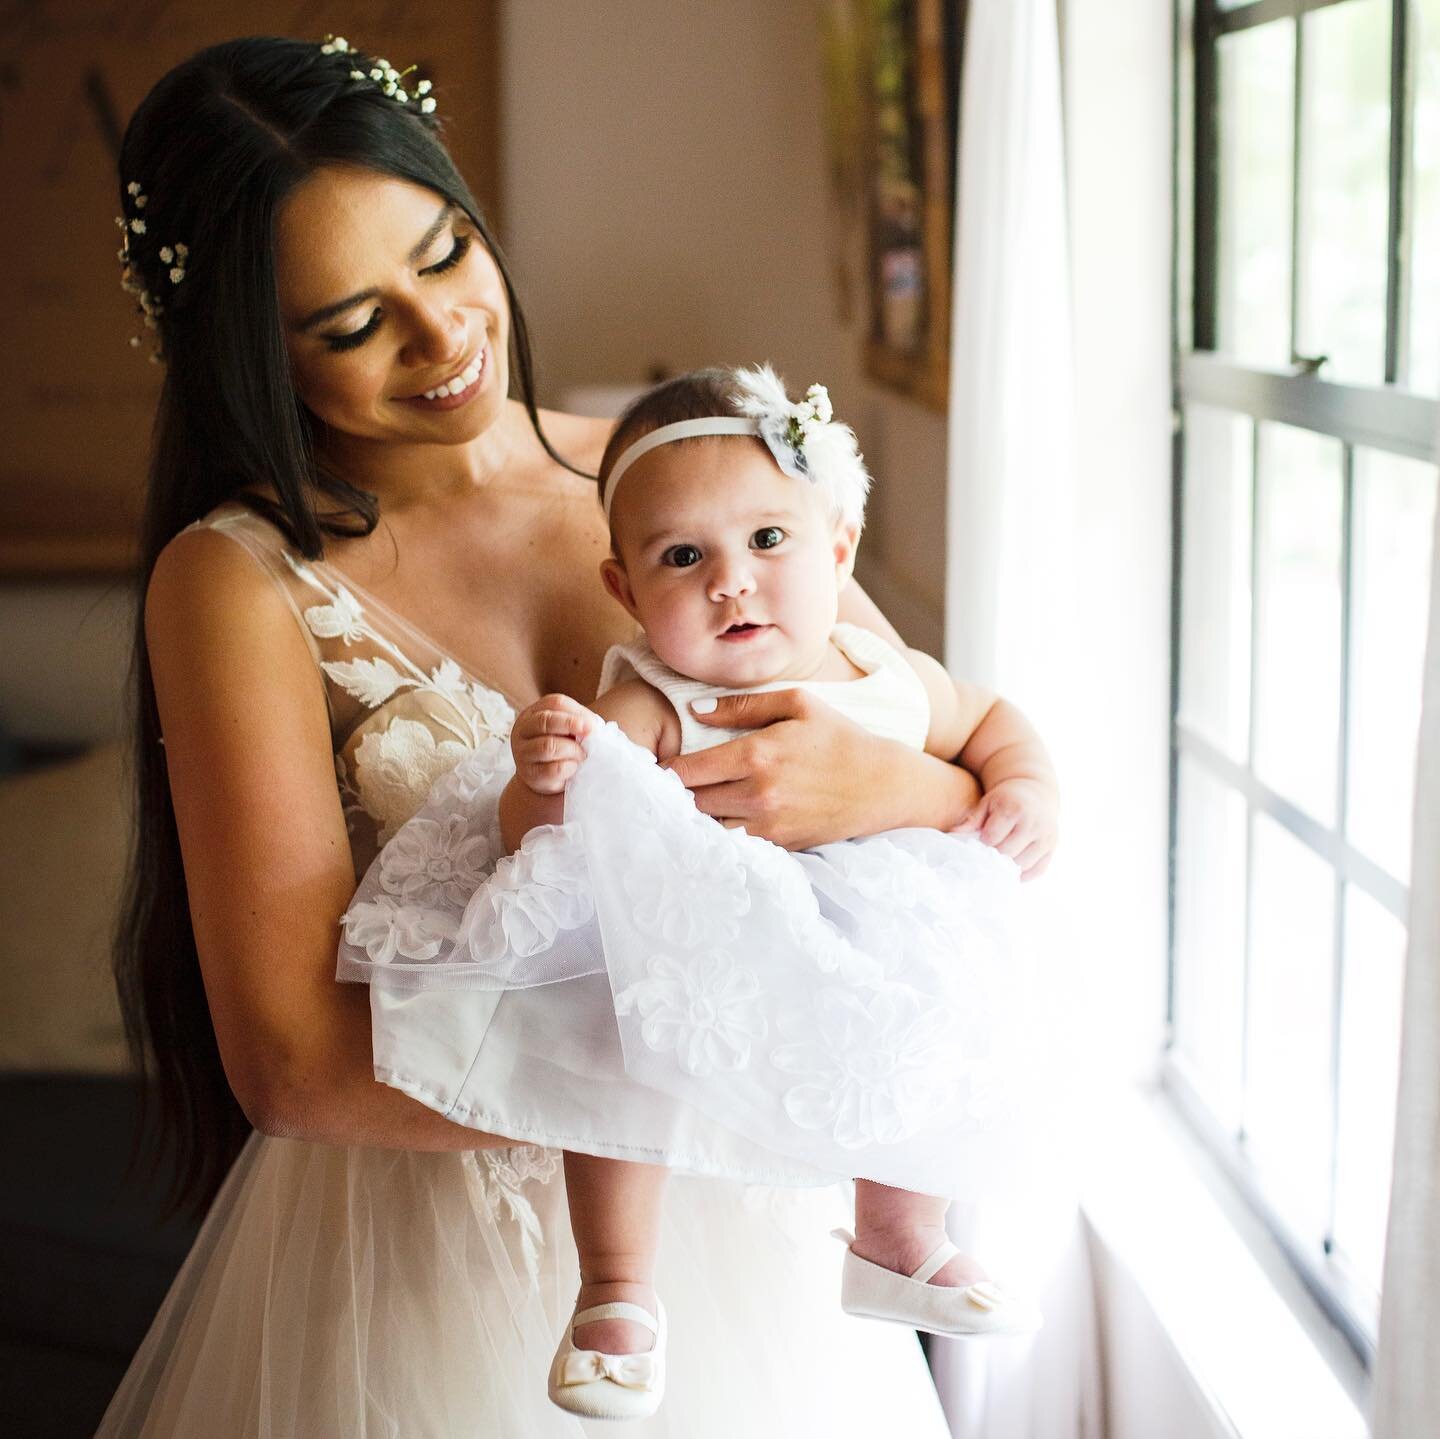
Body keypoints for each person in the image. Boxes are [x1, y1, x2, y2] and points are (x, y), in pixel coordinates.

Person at [99, 33, 999, 1437]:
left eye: (447, 251)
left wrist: (912, 789)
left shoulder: (690, 469)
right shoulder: (239, 581)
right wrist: (710, 1057)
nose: (445, 333)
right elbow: (289, 1060)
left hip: (761, 1240)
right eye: (350, 323)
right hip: (443, 1268)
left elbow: (935, 748)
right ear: (246, 350)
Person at [337, 364, 1057, 1420]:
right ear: (625, 590)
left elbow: (990, 720)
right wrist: (544, 781)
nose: (732, 580)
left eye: (769, 541)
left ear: (839, 548)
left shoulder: (885, 673)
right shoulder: (655, 698)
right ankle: (618, 1286)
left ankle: (900, 1237)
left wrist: (1028, 784)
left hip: (862, 958)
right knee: (615, 1054)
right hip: (703, 955)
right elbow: (550, 838)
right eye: (685, 556)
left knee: (925, 1039)